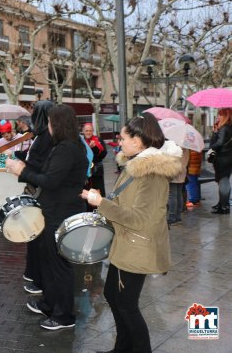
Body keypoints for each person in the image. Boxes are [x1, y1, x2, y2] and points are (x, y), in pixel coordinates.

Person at [82, 114, 182, 352]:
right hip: (126, 242)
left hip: (139, 245)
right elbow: (126, 204)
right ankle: (122, 348)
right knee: (113, 295)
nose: (120, 142)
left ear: (138, 140)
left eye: (123, 138)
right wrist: (101, 200)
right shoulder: (136, 164)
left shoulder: (150, 173)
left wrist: (102, 203)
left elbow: (140, 218)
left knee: (126, 304)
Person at [6, 104, 89, 330]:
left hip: (60, 212)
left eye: (51, 122)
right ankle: (49, 304)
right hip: (52, 210)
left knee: (58, 265)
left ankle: (64, 316)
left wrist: (20, 171)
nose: (48, 126)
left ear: (58, 124)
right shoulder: (64, 146)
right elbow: (47, 174)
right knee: (48, 262)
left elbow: (51, 180)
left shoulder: (67, 149)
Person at [18, 100, 54, 294]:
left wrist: (22, 168)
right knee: (32, 235)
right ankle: (33, 272)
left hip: (40, 192)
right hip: (35, 191)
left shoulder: (46, 137)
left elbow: (40, 165)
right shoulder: (42, 135)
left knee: (37, 236)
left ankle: (38, 278)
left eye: (34, 113)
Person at [209, 108, 232, 214]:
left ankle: (224, 206)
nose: (218, 117)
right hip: (228, 157)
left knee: (223, 181)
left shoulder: (224, 128)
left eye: (220, 115)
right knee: (224, 181)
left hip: (223, 158)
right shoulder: (228, 127)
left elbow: (219, 143)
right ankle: (222, 203)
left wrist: (212, 147)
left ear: (225, 116)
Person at [82, 123, 108, 198]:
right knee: (87, 193)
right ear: (83, 131)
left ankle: (99, 209)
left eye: (90, 130)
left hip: (97, 171)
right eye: (86, 131)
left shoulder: (98, 140)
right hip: (85, 172)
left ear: (93, 131)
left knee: (98, 192)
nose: (88, 132)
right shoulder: (81, 141)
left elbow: (103, 154)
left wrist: (94, 148)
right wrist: (88, 149)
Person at [168, 148, 190, 226]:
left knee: (172, 195)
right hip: (182, 170)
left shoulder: (175, 147)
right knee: (178, 193)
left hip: (174, 171)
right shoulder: (186, 147)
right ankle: (178, 217)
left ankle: (172, 217)